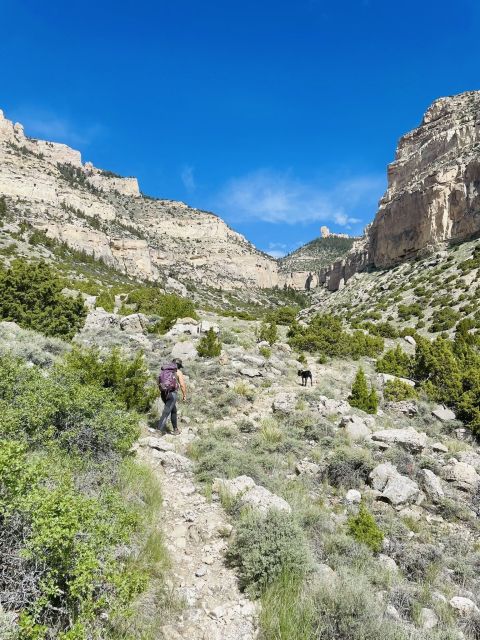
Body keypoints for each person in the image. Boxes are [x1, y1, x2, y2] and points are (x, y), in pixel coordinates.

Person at [157, 358, 187, 435]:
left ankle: (175, 429)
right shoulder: (178, 372)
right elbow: (182, 385)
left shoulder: (164, 370)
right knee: (166, 412)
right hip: (172, 394)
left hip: (163, 393)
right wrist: (184, 395)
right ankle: (158, 430)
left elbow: (159, 381)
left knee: (173, 410)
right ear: (179, 365)